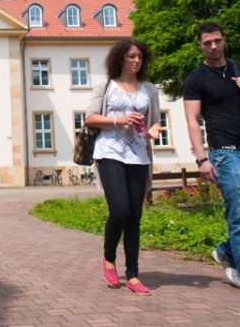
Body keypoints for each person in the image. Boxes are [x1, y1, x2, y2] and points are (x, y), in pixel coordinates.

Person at [183, 22, 240, 303]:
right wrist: (202, 158)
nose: (213, 46)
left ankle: (227, 251)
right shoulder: (196, 78)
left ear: (225, 41)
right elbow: (192, 120)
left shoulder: (239, 68)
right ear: (200, 45)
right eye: (207, 42)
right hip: (225, 153)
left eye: (217, 41)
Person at [84, 38, 162, 296]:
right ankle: (108, 258)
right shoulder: (106, 86)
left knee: (135, 217)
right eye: (131, 56)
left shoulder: (149, 89)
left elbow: (156, 123)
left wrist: (153, 130)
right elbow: (91, 118)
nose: (136, 60)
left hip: (138, 155)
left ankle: (133, 275)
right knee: (119, 210)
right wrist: (119, 120)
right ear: (120, 58)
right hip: (109, 152)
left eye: (139, 56)